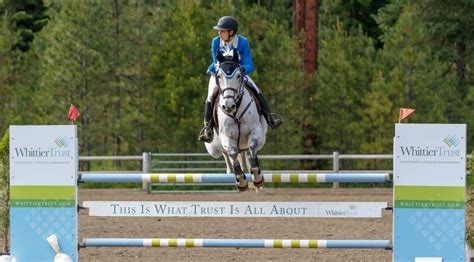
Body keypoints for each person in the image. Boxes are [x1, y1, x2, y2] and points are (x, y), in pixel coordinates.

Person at [198, 16, 282, 142]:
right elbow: (216, 63)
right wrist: (222, 73)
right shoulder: (215, 42)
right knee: (210, 95)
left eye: (222, 31)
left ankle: (270, 118)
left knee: (255, 89)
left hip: (238, 73)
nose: (219, 33)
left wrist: (243, 70)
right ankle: (207, 129)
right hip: (220, 74)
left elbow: (249, 64)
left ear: (231, 32)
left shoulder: (243, 42)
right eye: (219, 31)